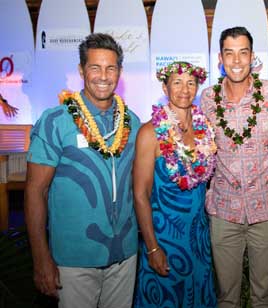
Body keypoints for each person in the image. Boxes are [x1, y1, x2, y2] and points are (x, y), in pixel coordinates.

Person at [24, 33, 141, 308]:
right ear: (81, 70)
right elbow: (35, 191)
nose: (103, 75)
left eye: (111, 68)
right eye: (95, 67)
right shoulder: (55, 121)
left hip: (124, 256)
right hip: (73, 259)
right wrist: (41, 259)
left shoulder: (132, 122)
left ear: (120, 72)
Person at [200, 27, 268, 307]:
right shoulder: (207, 99)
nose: (236, 60)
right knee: (227, 296)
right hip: (224, 208)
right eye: (229, 53)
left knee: (263, 295)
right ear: (220, 59)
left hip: (266, 207)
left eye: (243, 52)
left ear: (252, 56)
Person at [133, 61, 217, 307]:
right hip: (164, 237)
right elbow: (140, 194)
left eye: (191, 83)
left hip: (199, 237)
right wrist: (152, 248)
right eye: (177, 83)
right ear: (165, 87)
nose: (184, 89)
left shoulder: (205, 129)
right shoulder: (150, 133)